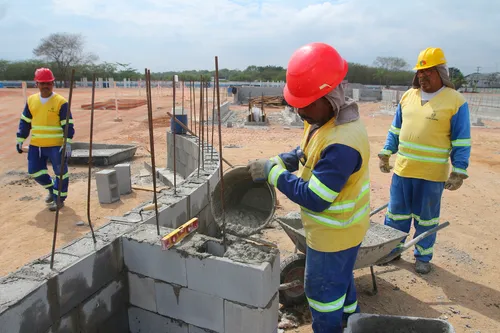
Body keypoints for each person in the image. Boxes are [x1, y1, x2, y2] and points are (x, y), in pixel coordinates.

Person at [247, 42, 371, 333]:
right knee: (341, 282)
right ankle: (353, 321)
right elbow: (307, 151)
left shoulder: (343, 142)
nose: (299, 110)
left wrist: (274, 174)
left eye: (306, 103)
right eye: (297, 103)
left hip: (333, 235)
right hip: (344, 229)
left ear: (329, 95)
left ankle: (333, 326)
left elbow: (315, 198)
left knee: (323, 296)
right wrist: (279, 161)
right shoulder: (323, 117)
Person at [378, 47, 471, 274]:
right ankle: (392, 250)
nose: (422, 76)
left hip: (432, 175)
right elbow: (396, 129)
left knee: (426, 219)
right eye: (420, 71)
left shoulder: (455, 101)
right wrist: (386, 151)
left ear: (441, 72)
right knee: (396, 214)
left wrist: (459, 170)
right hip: (403, 171)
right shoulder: (408, 96)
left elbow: (461, 140)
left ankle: (423, 256)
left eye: (428, 71)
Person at [16, 67, 75, 211]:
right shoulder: (31, 101)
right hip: (36, 145)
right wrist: (20, 139)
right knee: (35, 171)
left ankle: (59, 199)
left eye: (48, 83)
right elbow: (25, 121)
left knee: (61, 173)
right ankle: (51, 189)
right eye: (42, 83)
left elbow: (67, 124)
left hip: (56, 146)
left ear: (53, 83)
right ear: (37, 84)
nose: (45, 86)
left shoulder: (60, 102)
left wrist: (67, 142)